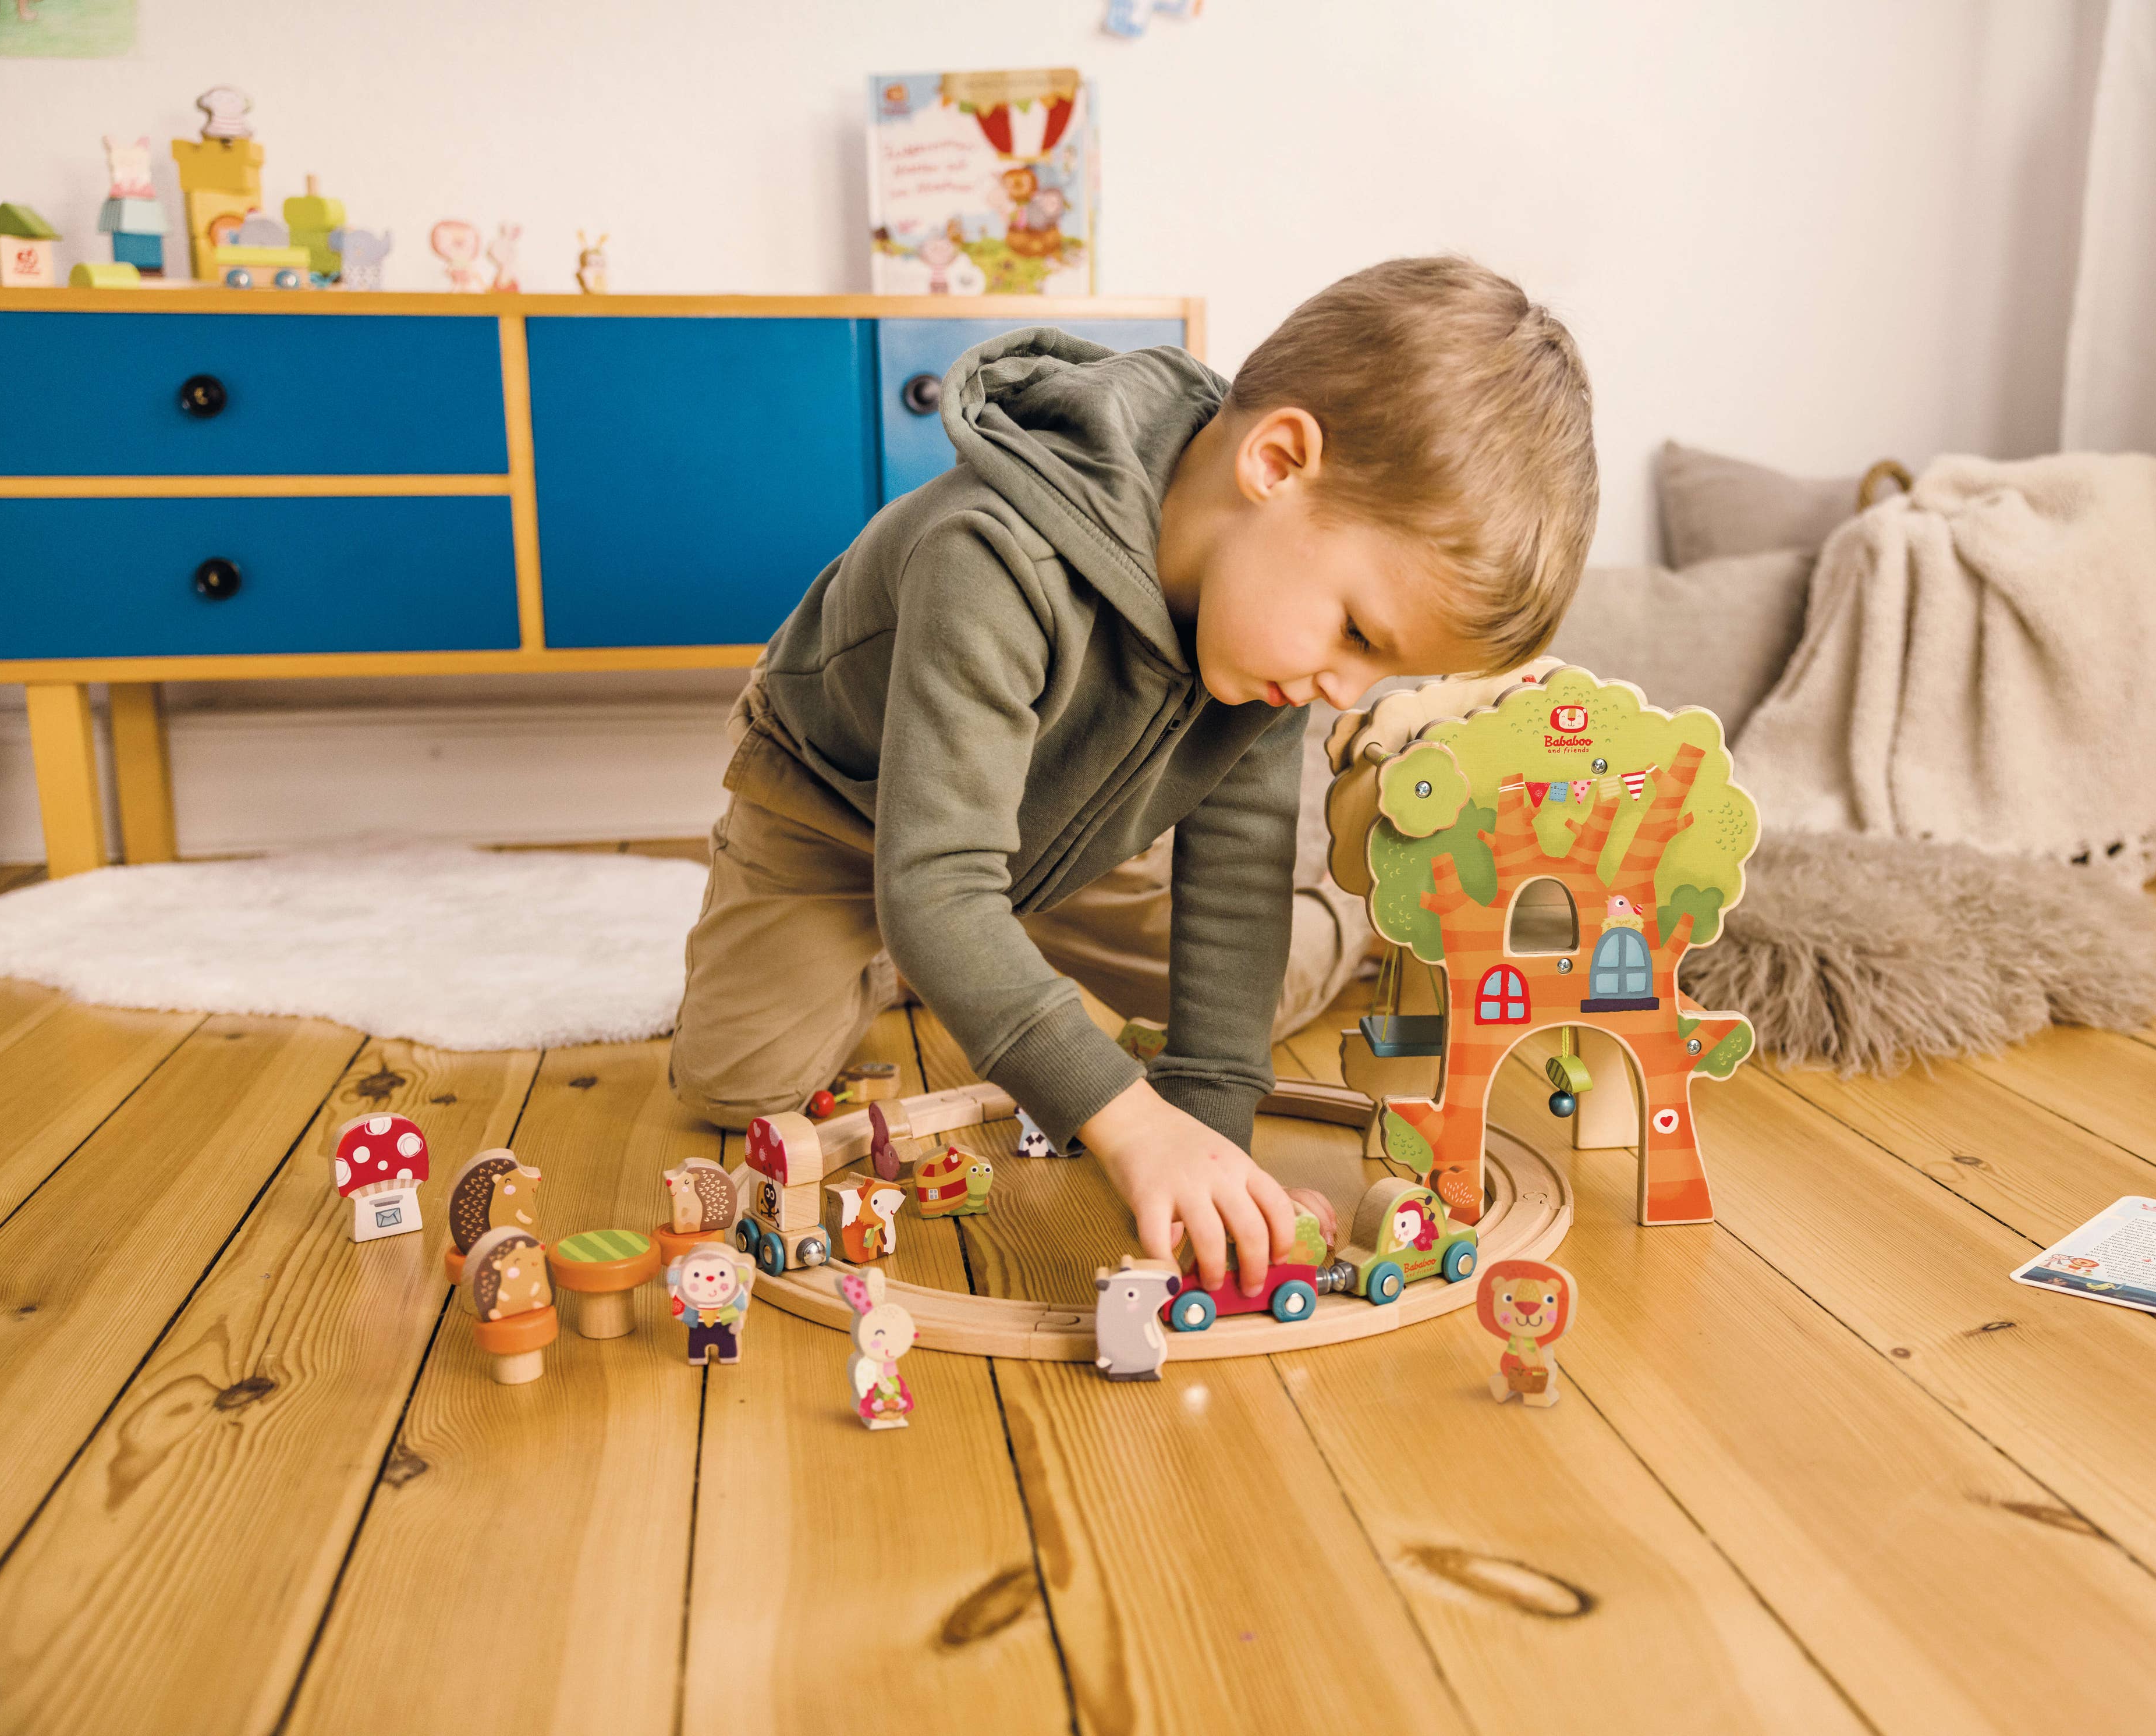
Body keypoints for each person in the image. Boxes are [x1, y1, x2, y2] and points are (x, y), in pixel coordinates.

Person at [671, 255, 1597, 1300]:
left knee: (1262, 992)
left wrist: (1204, 1152)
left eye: (1384, 670)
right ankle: (920, 961)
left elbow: (1236, 886)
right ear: (1279, 462)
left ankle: (1335, 931)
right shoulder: (993, 558)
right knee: (736, 1085)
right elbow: (935, 880)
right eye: (1356, 633)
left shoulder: (1271, 647)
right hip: (841, 816)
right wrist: (1124, 1120)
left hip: (1070, 837)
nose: (1346, 691)